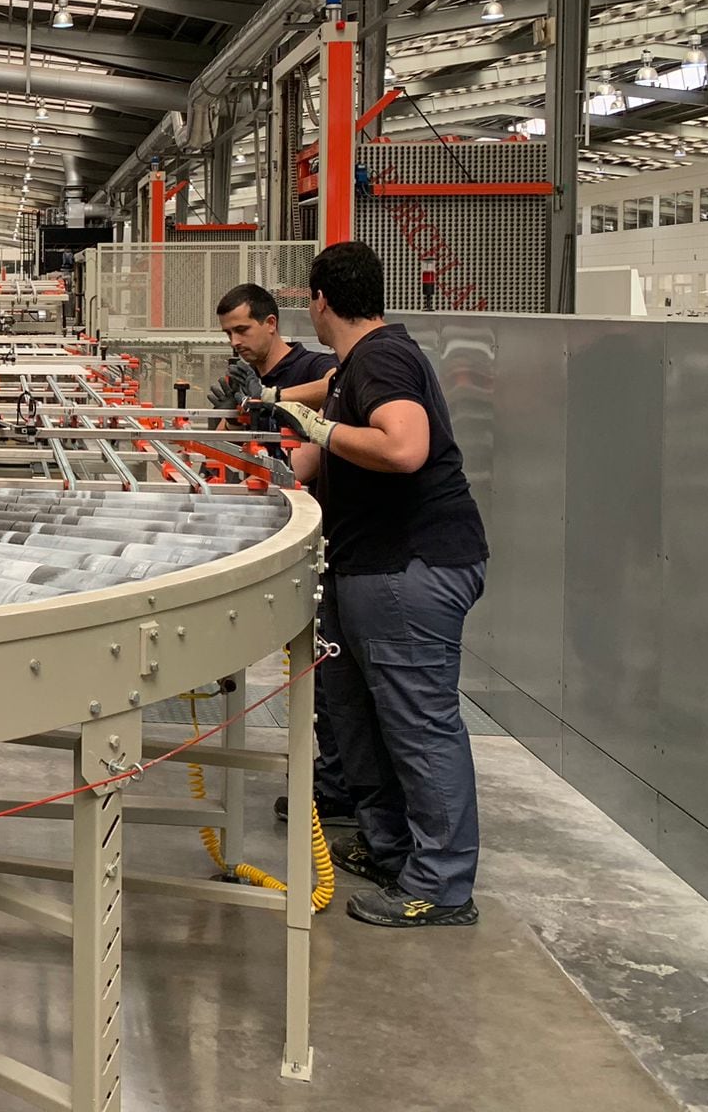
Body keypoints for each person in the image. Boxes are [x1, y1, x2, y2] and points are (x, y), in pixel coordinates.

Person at [268, 240, 489, 929]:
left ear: (319, 300)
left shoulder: (384, 358)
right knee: (361, 720)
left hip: (411, 567)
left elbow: (403, 447)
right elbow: (305, 453)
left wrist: (319, 429)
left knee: (419, 727)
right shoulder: (353, 365)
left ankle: (443, 884)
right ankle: (393, 847)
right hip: (369, 568)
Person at [205, 284, 355, 829]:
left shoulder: (316, 370)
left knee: (331, 673)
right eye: (227, 333)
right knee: (316, 677)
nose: (235, 341)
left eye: (242, 329)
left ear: (271, 323)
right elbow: (228, 464)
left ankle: (340, 784)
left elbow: (304, 466)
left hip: (322, 541)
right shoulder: (241, 380)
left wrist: (269, 405)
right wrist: (225, 422)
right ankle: (335, 777)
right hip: (266, 537)